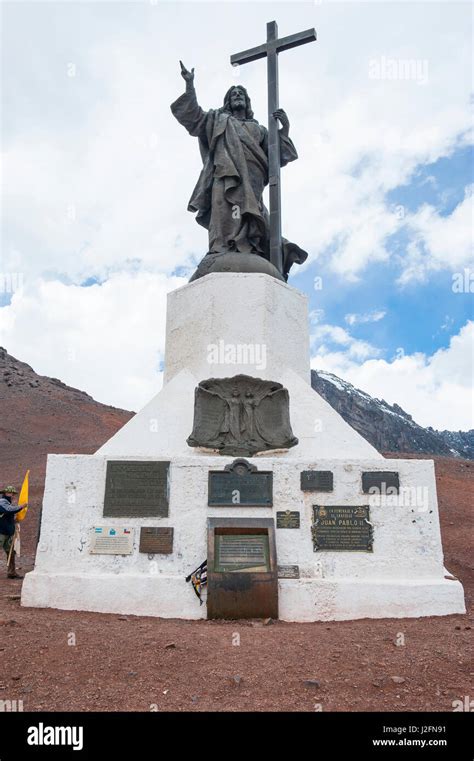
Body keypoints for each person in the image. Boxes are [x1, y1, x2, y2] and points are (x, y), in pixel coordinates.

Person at [171, 62, 308, 280]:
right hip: (224, 174)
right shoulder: (217, 119)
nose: (237, 96)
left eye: (241, 93)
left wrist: (285, 130)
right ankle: (221, 248)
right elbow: (194, 118)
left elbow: (277, 158)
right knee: (223, 209)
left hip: (253, 180)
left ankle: (250, 248)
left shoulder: (261, 129)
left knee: (250, 215)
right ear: (228, 101)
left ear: (247, 101)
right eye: (233, 94)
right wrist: (190, 86)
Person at [0, 486, 26, 579]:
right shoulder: (2, 502)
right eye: (11, 493)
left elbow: (7, 514)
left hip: (8, 532)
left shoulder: (8, 503)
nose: (13, 495)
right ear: (6, 493)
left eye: (13, 494)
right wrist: (21, 507)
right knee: (10, 553)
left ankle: (11, 572)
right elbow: (8, 510)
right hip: (1, 533)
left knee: (11, 553)